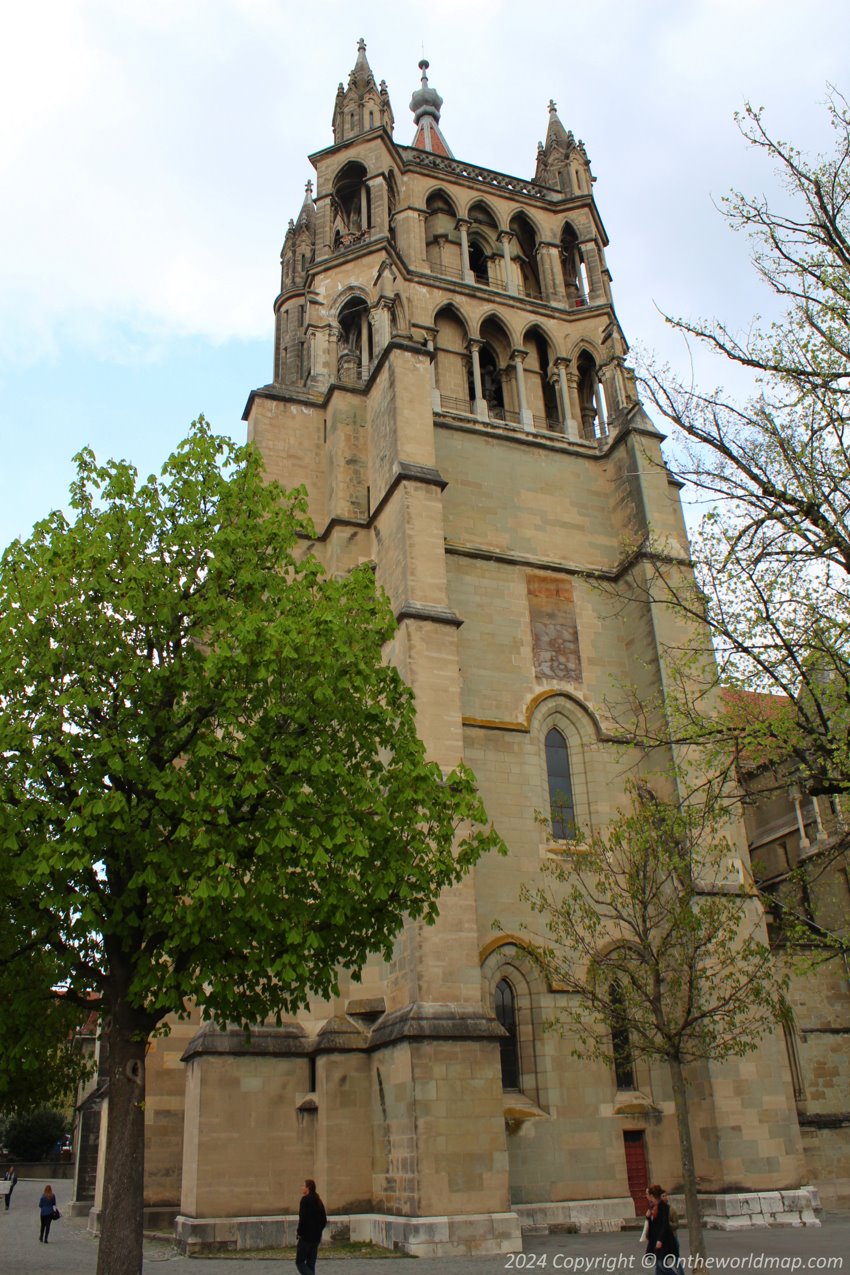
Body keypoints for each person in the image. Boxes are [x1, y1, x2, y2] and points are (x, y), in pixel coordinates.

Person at [295, 1178, 327, 1275]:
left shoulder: (305, 1200)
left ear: (308, 1188)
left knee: (299, 1262)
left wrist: (299, 1232)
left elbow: (302, 1219)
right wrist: (318, 1231)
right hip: (316, 1238)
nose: (302, 1188)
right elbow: (324, 1220)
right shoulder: (318, 1200)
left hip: (306, 1238)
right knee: (310, 1264)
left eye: (303, 1186)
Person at [645, 1184, 677, 1272]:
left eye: (649, 1196)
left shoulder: (663, 1207)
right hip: (655, 1238)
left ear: (652, 1196)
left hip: (663, 1239)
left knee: (661, 1264)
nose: (649, 1198)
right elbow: (653, 1224)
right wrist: (648, 1217)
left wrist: (660, 1240)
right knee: (659, 1266)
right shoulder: (653, 1207)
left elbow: (664, 1225)